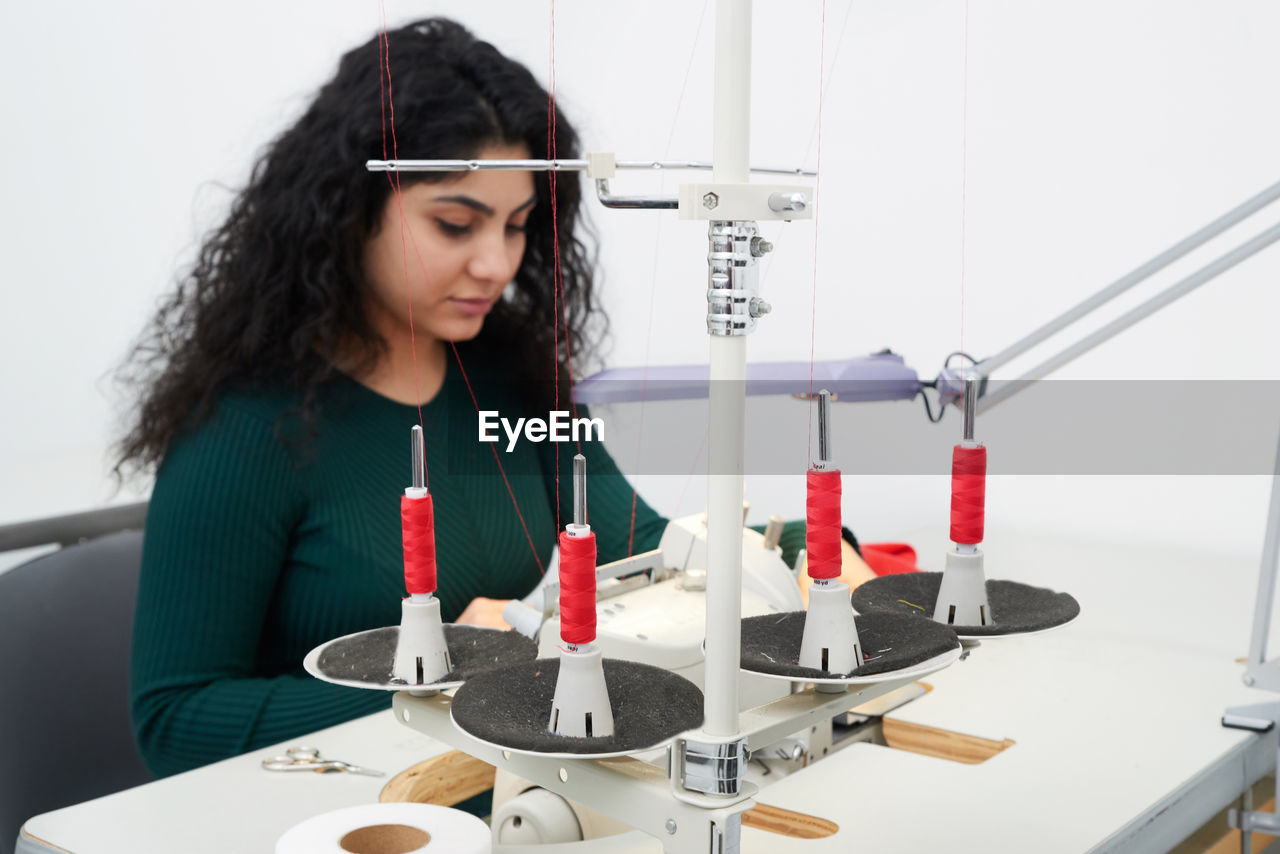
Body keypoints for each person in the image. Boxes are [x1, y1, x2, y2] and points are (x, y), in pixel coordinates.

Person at [116, 17, 870, 780]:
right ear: (348, 208)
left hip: (495, 787)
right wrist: (448, 678)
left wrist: (814, 551)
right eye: (454, 224)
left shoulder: (508, 382)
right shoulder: (245, 430)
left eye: (516, 227)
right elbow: (175, 721)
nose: (495, 263)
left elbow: (647, 544)